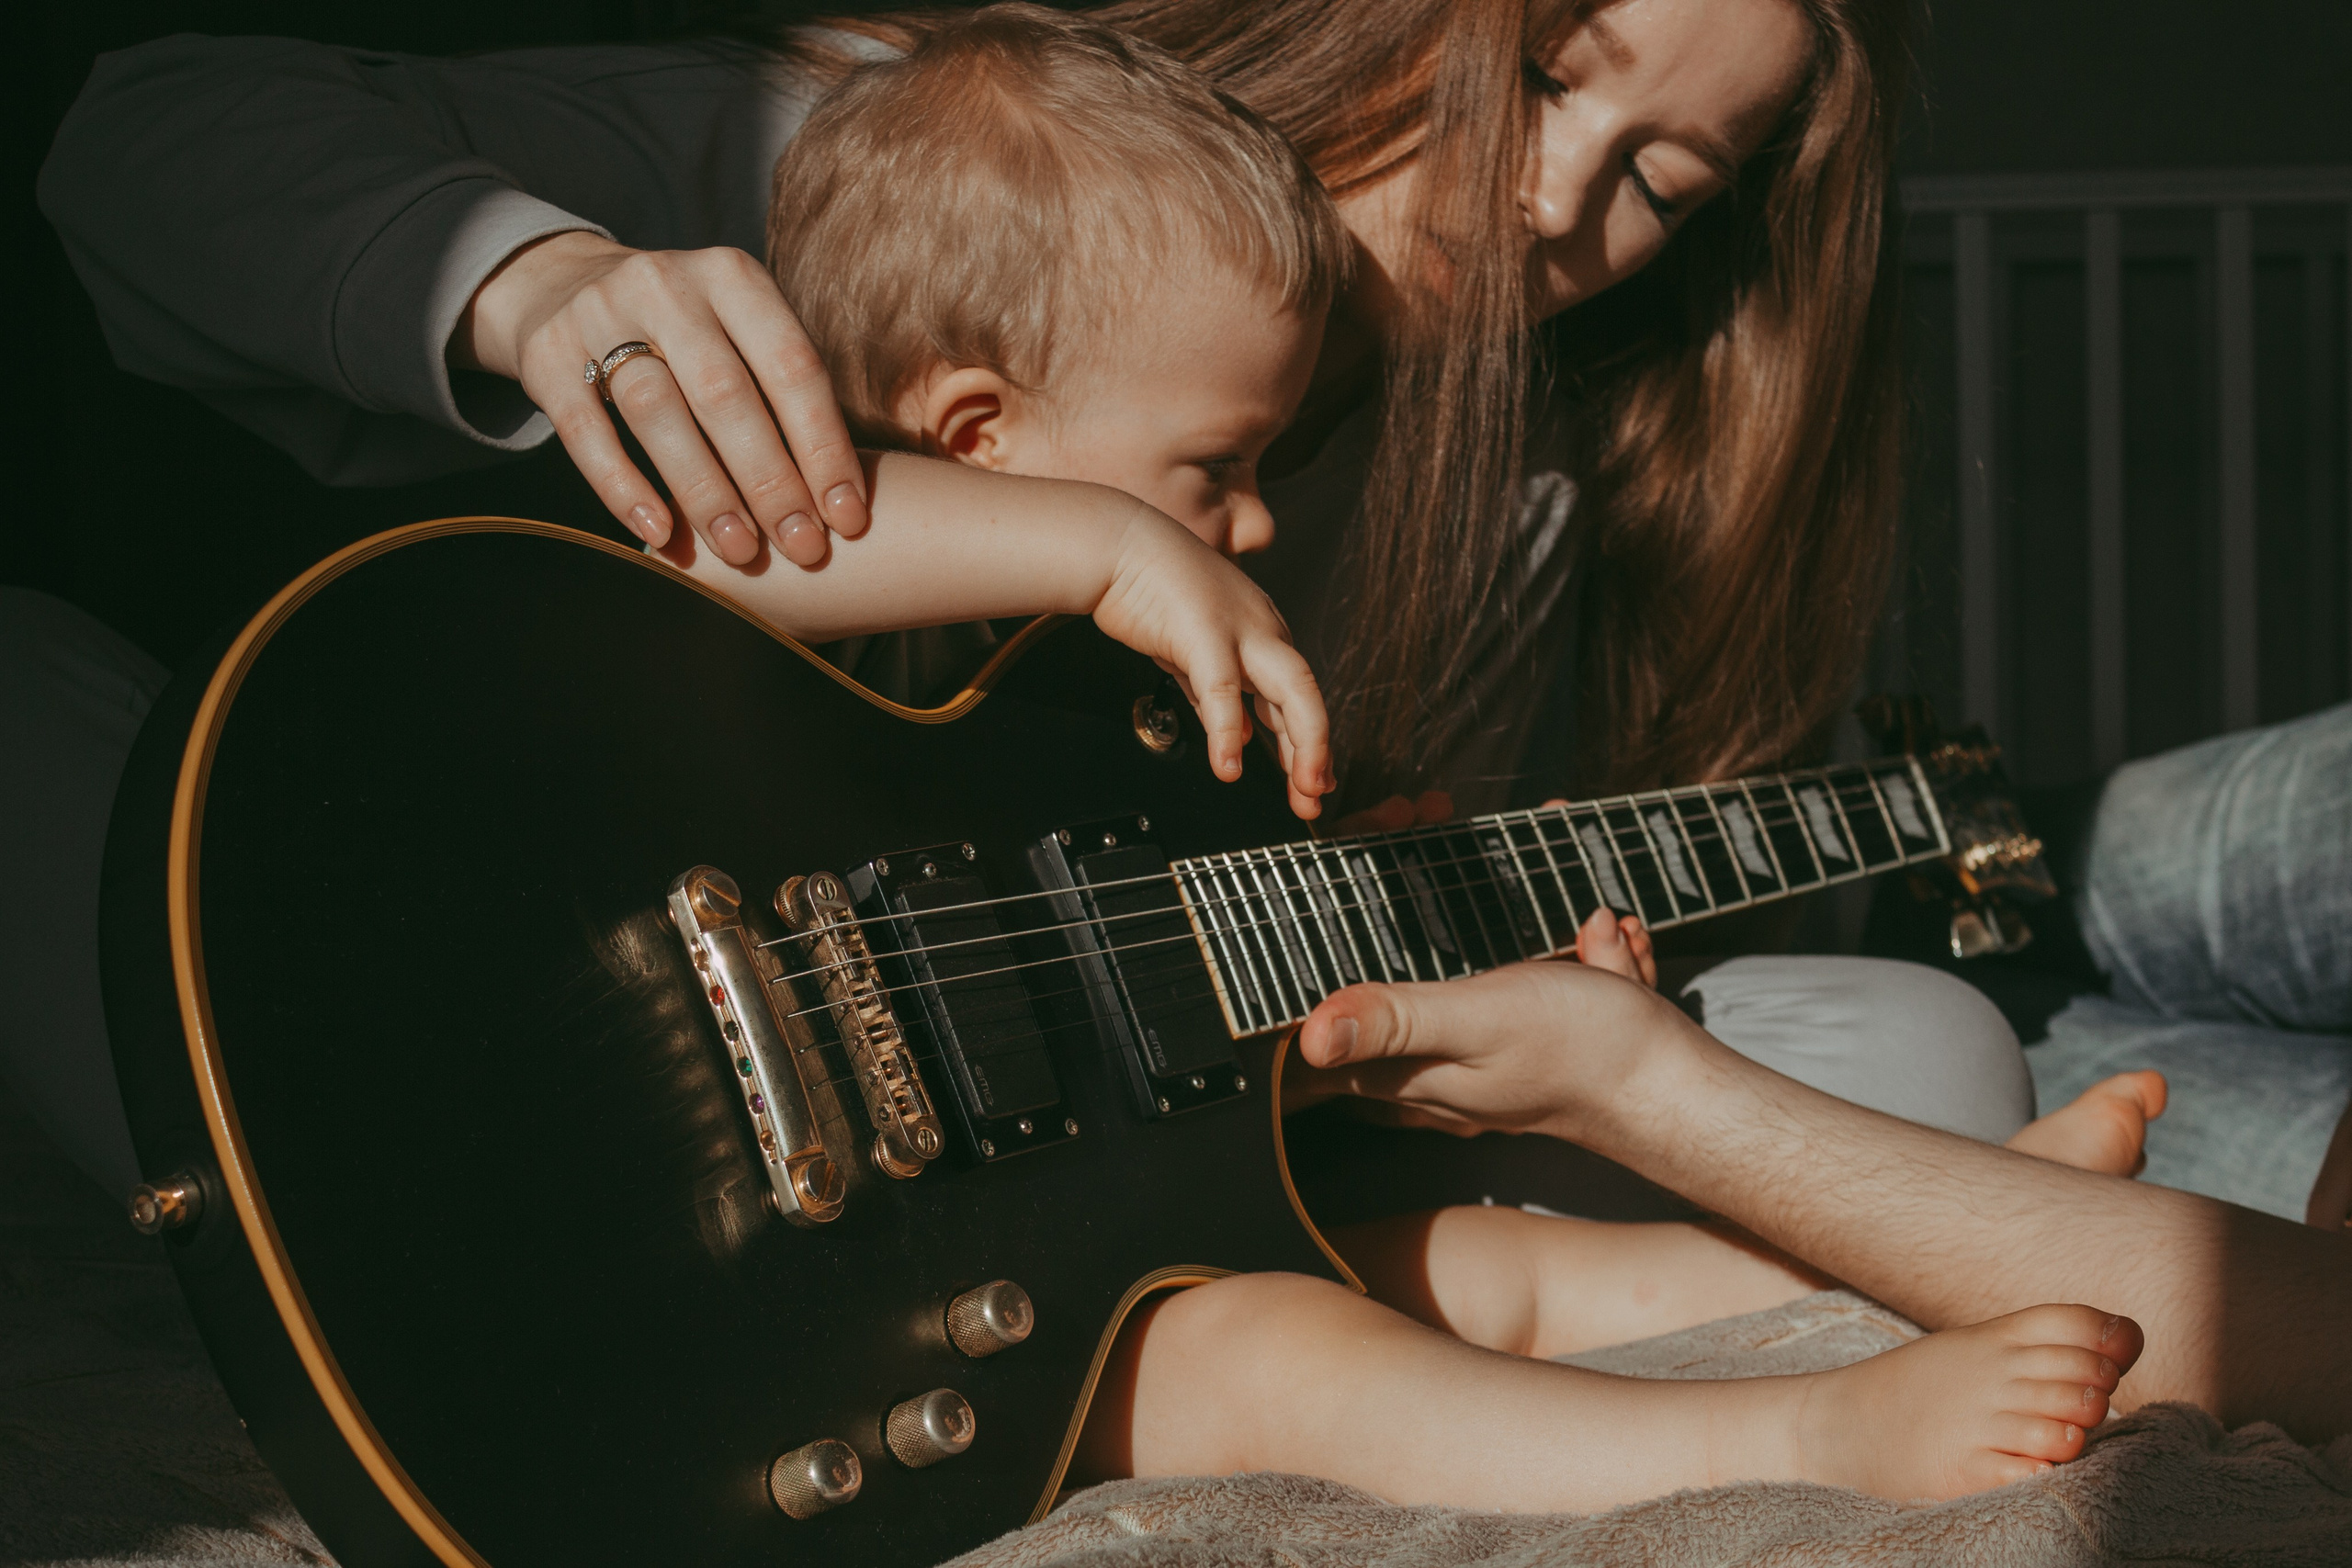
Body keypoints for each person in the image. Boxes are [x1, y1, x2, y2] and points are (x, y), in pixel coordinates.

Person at [37, 0, 2062, 1197]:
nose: (1553, 198)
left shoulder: (1502, 504)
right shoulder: (931, 155)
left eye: (1661, 185)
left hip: (909, 1097)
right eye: (1544, 73)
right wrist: (528, 278)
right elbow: (135, 128)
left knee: (1922, 1043)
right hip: (378, 865)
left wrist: (1425, 949)